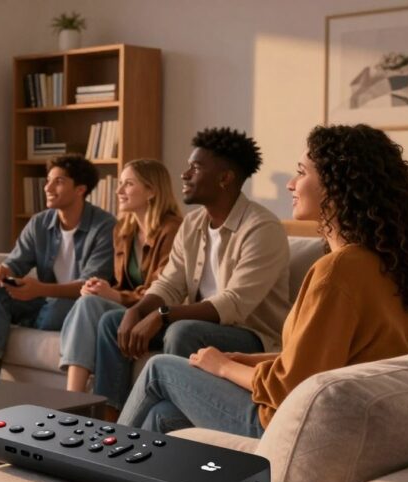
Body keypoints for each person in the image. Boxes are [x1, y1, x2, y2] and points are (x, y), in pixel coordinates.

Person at [120, 124, 408, 437]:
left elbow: (289, 385)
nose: (291, 184)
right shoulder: (385, 263)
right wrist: (242, 360)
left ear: (336, 185)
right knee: (161, 416)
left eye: (302, 172)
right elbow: (322, 359)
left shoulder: (337, 270)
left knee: (159, 369)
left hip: (291, 422)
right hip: (335, 415)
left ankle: (95, 451)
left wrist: (223, 367)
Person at [92, 128, 290, 419]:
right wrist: (137, 310)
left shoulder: (262, 228)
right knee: (113, 321)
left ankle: (181, 412)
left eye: (196, 168)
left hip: (252, 334)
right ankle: (108, 421)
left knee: (182, 330)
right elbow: (170, 283)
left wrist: (161, 315)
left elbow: (233, 304)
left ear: (225, 178)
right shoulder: (193, 223)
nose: (184, 175)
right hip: (198, 323)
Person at [0, 154, 115, 378]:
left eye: (58, 181)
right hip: (43, 301)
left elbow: (91, 286)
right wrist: (3, 271)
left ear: (80, 189)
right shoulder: (39, 222)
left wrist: (39, 289)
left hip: (77, 304)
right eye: (48, 180)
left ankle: (20, 320)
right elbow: (17, 262)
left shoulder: (105, 226)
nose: (47, 187)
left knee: (55, 310)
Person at [59, 159, 183, 392]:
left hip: (154, 313)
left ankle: (72, 397)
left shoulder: (173, 230)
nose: (119, 191)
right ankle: (74, 396)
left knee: (88, 307)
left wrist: (115, 296)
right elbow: (121, 284)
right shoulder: (123, 230)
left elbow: (163, 290)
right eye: (120, 184)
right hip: (131, 308)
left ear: (151, 191)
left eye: (128, 184)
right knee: (89, 300)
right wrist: (101, 288)